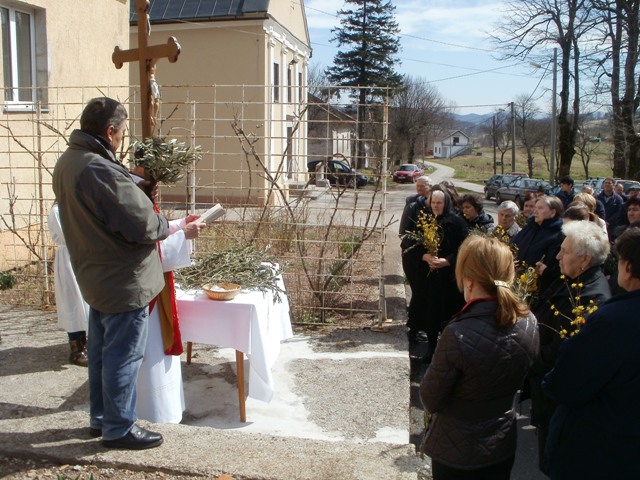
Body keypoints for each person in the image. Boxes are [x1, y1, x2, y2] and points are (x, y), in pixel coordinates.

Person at [52, 97, 170, 450]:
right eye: (121, 132)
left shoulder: (68, 161)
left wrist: (133, 188)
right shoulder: (99, 169)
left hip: (94, 272)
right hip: (122, 279)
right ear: (109, 131)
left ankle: (100, 418)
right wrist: (161, 218)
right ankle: (119, 428)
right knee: (123, 355)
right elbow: (144, 226)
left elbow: (99, 210)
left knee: (102, 353)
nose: (121, 138)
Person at [420, 235, 538, 480]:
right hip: (502, 443)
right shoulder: (529, 322)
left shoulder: (459, 333)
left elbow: (430, 398)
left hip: (458, 452)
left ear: (468, 280)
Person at [542, 227, 640, 479]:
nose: (557, 256)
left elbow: (565, 383)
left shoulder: (609, 317)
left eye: (619, 263)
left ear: (628, 269)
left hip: (599, 449)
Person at [528, 221, 611, 474]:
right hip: (549, 398)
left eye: (564, 251)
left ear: (584, 260)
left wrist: (526, 355)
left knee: (556, 464)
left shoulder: (589, 298)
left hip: (560, 403)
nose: (557, 255)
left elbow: (563, 352)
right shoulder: (573, 282)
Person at [136, 214, 205, 424]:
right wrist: (183, 235)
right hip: (142, 292)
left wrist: (181, 224)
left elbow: (155, 228)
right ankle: (149, 413)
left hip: (158, 289)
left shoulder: (141, 194)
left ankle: (167, 409)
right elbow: (143, 251)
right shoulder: (127, 195)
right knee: (148, 354)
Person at [421, 187, 469, 362]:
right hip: (431, 277)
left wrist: (448, 260)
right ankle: (431, 348)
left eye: (439, 203)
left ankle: (448, 351)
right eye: (433, 202)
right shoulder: (426, 220)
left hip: (450, 278)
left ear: (446, 203)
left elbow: (465, 249)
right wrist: (425, 256)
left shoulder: (457, 222)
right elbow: (413, 244)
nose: (435, 206)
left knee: (449, 315)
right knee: (431, 314)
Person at [47, 203, 90, 367]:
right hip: (69, 260)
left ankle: (86, 344)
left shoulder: (78, 206)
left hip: (84, 256)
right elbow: (71, 235)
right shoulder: (58, 210)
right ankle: (77, 351)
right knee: (73, 303)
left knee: (86, 304)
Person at [399, 176, 433, 344]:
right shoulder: (412, 205)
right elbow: (404, 234)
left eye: (423, 186)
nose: (420, 188)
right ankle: (415, 328)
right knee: (419, 292)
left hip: (430, 259)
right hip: (413, 257)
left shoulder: (435, 207)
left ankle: (425, 327)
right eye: (418, 186)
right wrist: (420, 252)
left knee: (426, 292)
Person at [512, 195, 564, 299]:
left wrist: (545, 271)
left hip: (540, 289)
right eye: (535, 207)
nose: (535, 211)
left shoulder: (558, 235)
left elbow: (556, 268)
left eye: (540, 208)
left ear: (553, 212)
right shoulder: (530, 227)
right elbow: (514, 245)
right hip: (517, 283)